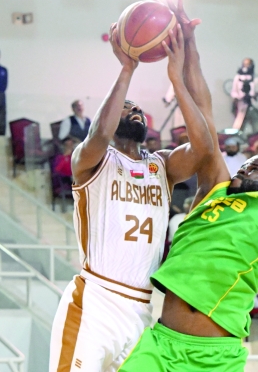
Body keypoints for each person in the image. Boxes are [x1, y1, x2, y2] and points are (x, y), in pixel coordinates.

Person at [116, 0, 258, 372]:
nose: (245, 168)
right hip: (161, 343)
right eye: (247, 164)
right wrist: (187, 44)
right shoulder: (216, 189)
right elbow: (204, 110)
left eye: (256, 169)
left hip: (214, 356)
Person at [48, 22, 213, 372]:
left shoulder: (162, 165)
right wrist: (127, 69)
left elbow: (204, 148)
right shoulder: (91, 159)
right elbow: (99, 134)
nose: (134, 109)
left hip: (141, 309)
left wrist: (177, 80)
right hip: (95, 302)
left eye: (137, 107)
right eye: (125, 107)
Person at [229, 57, 258, 132]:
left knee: (255, 125)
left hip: (254, 104)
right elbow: (234, 91)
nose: (246, 66)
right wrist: (237, 98)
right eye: (245, 64)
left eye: (248, 64)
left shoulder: (257, 77)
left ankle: (255, 136)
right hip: (242, 104)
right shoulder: (238, 77)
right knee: (239, 126)